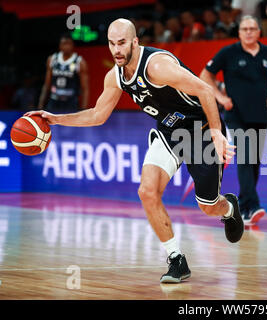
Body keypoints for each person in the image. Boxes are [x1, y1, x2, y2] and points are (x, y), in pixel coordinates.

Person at [26, 18, 244, 284]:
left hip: (201, 132)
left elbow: (204, 89)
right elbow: (97, 115)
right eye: (111, 44)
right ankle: (176, 258)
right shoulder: (115, 76)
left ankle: (228, 208)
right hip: (169, 132)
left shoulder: (157, 66)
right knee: (147, 191)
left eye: (122, 43)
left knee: (208, 206)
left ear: (135, 42)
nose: (116, 50)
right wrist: (55, 119)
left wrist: (216, 132)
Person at [200, 15, 267, 225]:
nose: (248, 32)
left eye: (252, 28)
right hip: (236, 115)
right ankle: (253, 204)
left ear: (259, 31)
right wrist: (221, 98)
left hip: (260, 114)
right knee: (245, 157)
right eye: (244, 28)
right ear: (239, 32)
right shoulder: (228, 53)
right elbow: (205, 75)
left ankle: (245, 209)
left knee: (254, 161)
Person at [38, 33, 89, 113]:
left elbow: (85, 88)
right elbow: (47, 84)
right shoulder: (52, 59)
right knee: (51, 125)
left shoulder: (79, 61)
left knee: (69, 125)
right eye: (64, 44)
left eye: (68, 44)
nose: (66, 46)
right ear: (60, 45)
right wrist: (40, 104)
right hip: (54, 100)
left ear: (73, 45)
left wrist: (84, 110)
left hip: (71, 101)